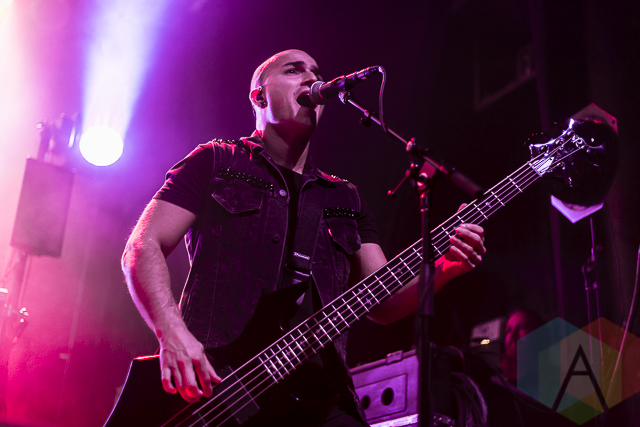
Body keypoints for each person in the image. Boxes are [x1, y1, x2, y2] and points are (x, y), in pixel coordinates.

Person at [121, 49, 486, 426]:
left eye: (315, 72)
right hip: (218, 390)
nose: (312, 79)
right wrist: (172, 333)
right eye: (294, 71)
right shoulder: (216, 162)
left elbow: (383, 300)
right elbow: (143, 246)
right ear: (259, 96)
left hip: (321, 400)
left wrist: (445, 268)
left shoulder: (345, 197)